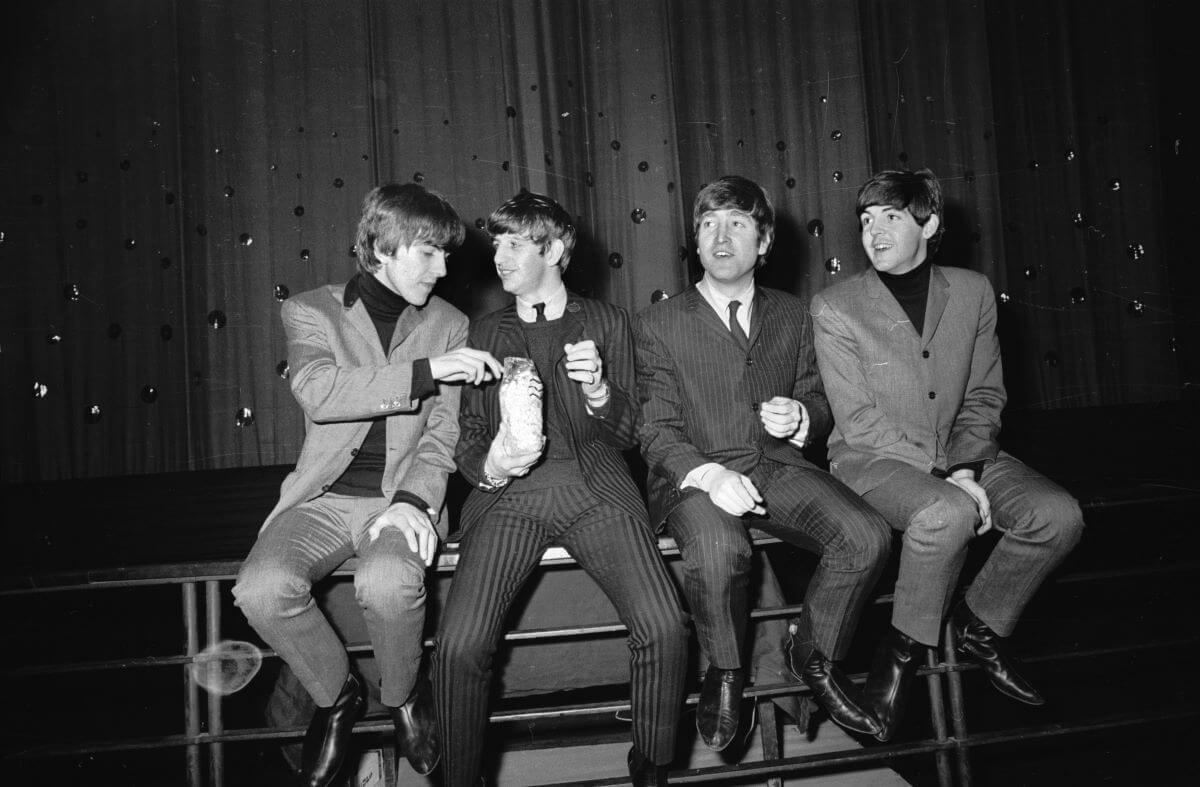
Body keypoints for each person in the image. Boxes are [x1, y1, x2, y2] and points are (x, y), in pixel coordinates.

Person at [232, 183, 501, 786]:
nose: (443, 268)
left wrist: (410, 503)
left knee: (387, 582)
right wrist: (426, 371)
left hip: (402, 499)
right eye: (428, 253)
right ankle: (335, 698)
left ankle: (404, 695)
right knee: (261, 588)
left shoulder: (450, 323)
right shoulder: (310, 310)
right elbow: (320, 393)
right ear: (381, 248)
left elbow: (443, 436)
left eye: (446, 255)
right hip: (324, 500)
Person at [810, 168, 1085, 741]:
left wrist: (963, 466)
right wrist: (946, 481)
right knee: (946, 514)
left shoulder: (973, 290)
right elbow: (858, 422)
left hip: (963, 452)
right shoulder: (835, 306)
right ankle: (900, 654)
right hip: (873, 458)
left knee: (1057, 517)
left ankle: (981, 627)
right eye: (865, 220)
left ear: (929, 223)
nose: (874, 232)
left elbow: (984, 394)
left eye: (890, 217)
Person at [433, 191, 689, 787]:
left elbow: (628, 432)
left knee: (665, 626)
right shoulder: (483, 330)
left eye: (515, 243)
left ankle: (650, 765)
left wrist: (600, 391)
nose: (499, 255)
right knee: (459, 647)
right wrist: (493, 462)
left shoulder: (608, 322)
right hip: (508, 500)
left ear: (554, 250)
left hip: (595, 488)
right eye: (497, 243)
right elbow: (468, 438)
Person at [635, 175, 891, 749]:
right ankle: (725, 669)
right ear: (695, 241)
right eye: (708, 225)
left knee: (866, 535)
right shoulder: (656, 324)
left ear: (765, 241)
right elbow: (654, 430)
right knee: (721, 548)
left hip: (776, 467)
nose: (720, 238)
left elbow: (819, 399)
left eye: (737, 224)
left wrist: (802, 416)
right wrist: (710, 475)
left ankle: (812, 657)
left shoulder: (794, 314)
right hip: (694, 477)